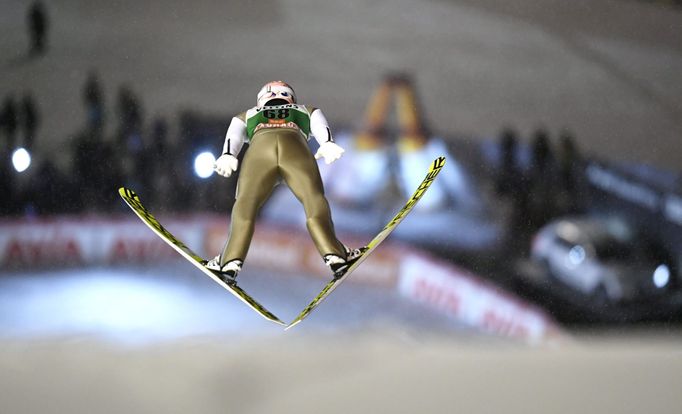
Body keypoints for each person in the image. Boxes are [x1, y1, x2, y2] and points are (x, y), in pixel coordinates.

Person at [207, 81, 364, 282]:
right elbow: (318, 122)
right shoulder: (302, 109)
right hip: (294, 147)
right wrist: (327, 142)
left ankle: (230, 262)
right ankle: (334, 255)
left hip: (260, 150)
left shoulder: (250, 113)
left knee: (246, 204)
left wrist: (229, 154)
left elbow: (235, 131)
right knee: (312, 199)